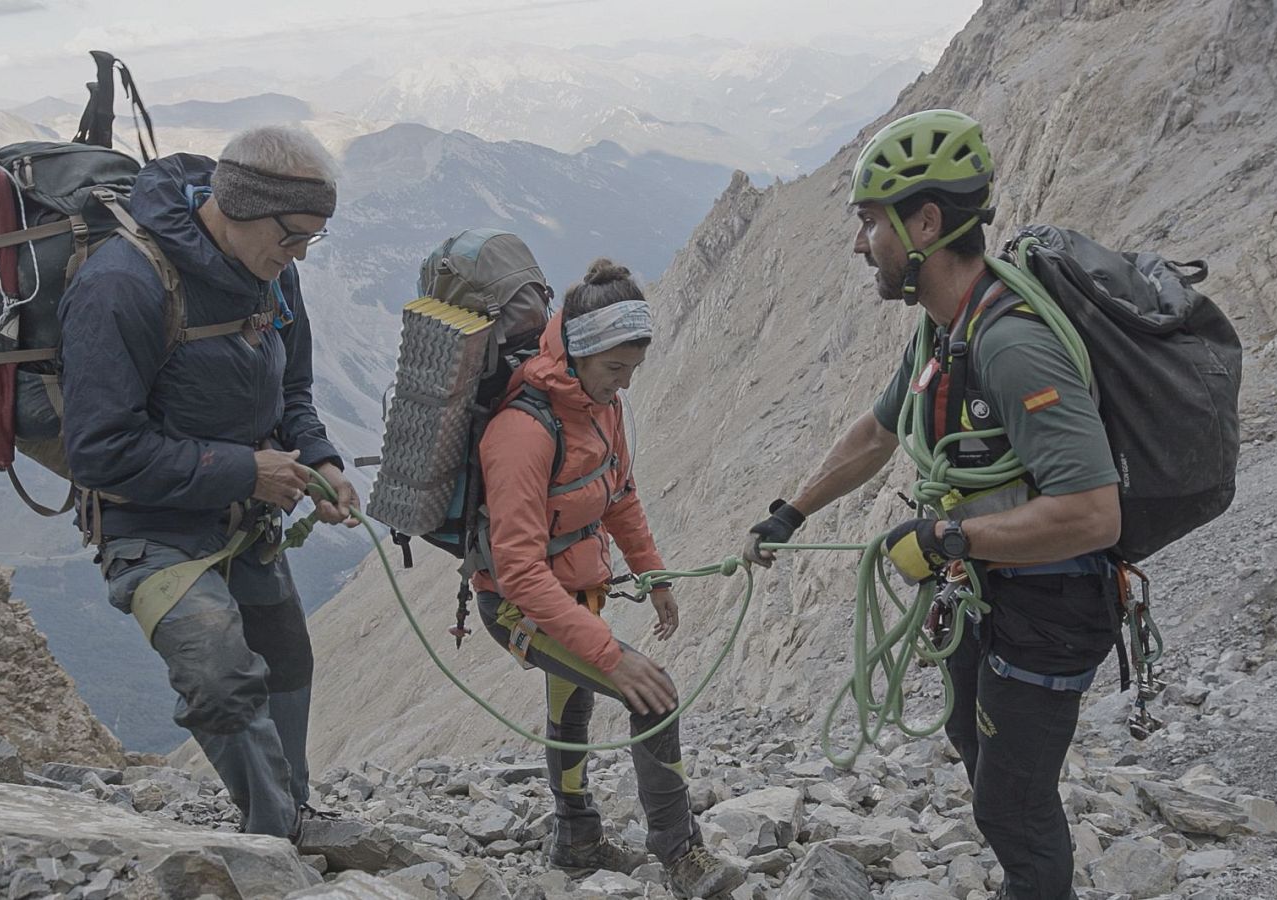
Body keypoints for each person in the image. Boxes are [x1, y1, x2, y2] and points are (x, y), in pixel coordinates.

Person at [743, 110, 1123, 900]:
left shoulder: (1010, 346)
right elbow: (880, 431)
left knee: (1013, 807)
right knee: (985, 767)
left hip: (1047, 608)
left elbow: (1094, 514)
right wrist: (793, 511)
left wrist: (950, 535)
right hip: (988, 594)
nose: (860, 245)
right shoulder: (944, 329)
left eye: (869, 223)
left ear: (924, 222)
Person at [59, 125, 360, 839]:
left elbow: (292, 389)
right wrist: (244, 470)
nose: (300, 256)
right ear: (242, 206)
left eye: (312, 241)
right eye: (294, 237)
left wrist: (319, 459)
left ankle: (291, 811)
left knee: (286, 655)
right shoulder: (120, 286)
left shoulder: (273, 273)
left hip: (243, 514)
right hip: (149, 526)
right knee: (220, 678)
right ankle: (276, 836)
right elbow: (99, 452)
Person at [474, 260, 742, 897]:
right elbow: (515, 571)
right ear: (575, 353)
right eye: (614, 370)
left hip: (572, 590)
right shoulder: (521, 433)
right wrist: (611, 655)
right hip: (517, 606)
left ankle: (577, 839)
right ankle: (680, 854)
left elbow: (619, 493)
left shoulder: (602, 406)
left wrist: (655, 576)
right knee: (654, 692)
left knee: (572, 704)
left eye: (631, 371)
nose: (622, 385)